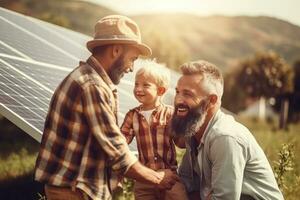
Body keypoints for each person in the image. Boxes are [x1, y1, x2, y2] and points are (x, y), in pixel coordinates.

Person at [34, 15, 178, 200]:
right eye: (132, 59)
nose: (131, 68)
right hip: (72, 191)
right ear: (116, 50)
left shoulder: (91, 80)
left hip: (76, 188)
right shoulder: (92, 86)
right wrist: (156, 178)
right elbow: (115, 148)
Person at [171, 60, 284, 200]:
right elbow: (187, 185)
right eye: (177, 92)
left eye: (187, 94)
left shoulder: (224, 137)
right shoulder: (193, 130)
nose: (178, 100)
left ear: (212, 100)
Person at [120, 60, 188, 200]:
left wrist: (184, 126)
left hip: (169, 176)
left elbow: (181, 142)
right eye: (136, 84)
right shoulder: (131, 116)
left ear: (161, 90)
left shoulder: (170, 114)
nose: (138, 89)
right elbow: (121, 142)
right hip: (144, 178)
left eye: (145, 85)